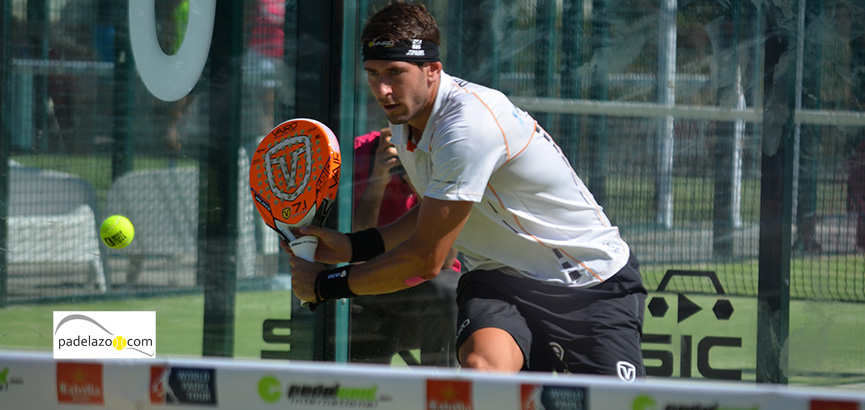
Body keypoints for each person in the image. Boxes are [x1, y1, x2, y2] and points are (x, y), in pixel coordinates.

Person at [286, 0, 647, 379]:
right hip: (497, 279)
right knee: (482, 373)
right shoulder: (404, 121)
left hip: (588, 282)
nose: (383, 89)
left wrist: (325, 285)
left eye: (395, 72)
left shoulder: (467, 127)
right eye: (373, 73)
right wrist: (353, 246)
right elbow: (433, 211)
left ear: (432, 70)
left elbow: (427, 260)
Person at [349, 127, 460, 367]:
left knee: (449, 289)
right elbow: (353, 254)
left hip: (420, 292)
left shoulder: (446, 154)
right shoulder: (359, 153)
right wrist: (378, 178)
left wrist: (425, 191)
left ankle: (441, 394)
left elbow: (446, 261)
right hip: (368, 288)